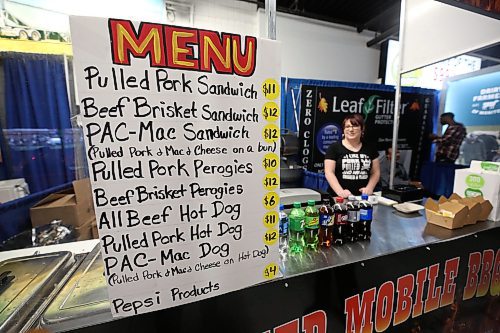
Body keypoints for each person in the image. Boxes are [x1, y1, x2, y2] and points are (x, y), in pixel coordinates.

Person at [324, 114, 380, 198]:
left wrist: (369, 188)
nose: (351, 129)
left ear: (362, 128)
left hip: (364, 197)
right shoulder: (334, 148)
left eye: (355, 126)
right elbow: (329, 172)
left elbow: (375, 172)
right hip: (340, 197)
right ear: (343, 129)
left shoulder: (370, 148)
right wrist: (340, 192)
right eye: (347, 127)